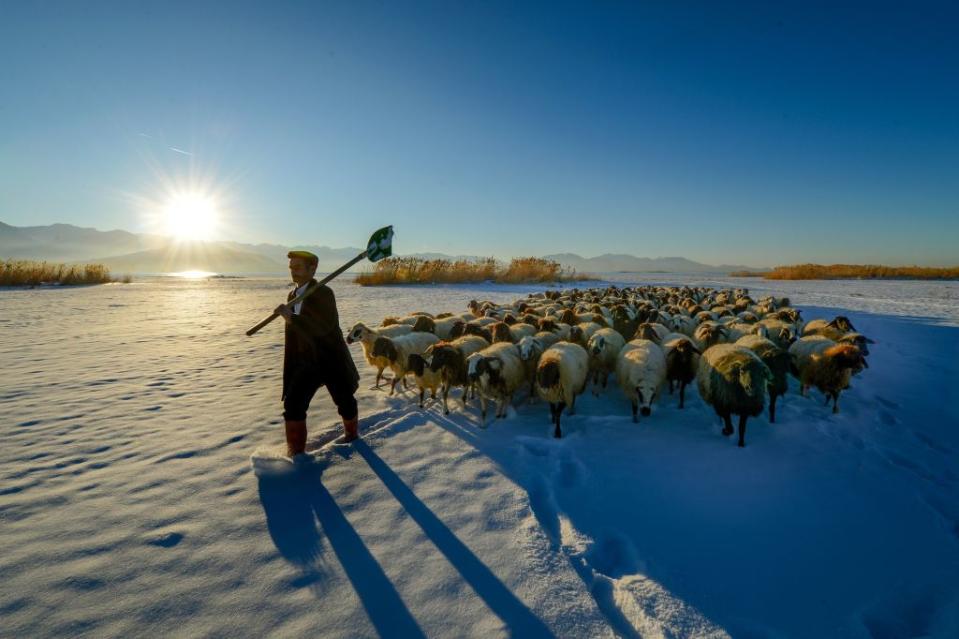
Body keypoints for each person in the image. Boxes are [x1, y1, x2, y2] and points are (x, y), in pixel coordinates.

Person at [274, 250, 360, 455]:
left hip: (330, 358)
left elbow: (323, 326)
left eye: (297, 267)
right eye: (291, 268)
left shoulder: (323, 293)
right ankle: (295, 455)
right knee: (293, 406)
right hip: (305, 362)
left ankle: (353, 437)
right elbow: (295, 333)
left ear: (312, 269)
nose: (293, 272)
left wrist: (292, 318)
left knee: (344, 400)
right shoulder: (293, 295)